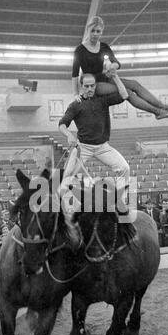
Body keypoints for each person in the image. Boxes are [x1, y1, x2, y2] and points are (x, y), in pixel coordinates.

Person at [58, 70, 133, 247]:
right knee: (65, 181)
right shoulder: (76, 104)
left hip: (103, 147)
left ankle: (120, 205)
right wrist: (68, 135)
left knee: (124, 168)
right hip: (82, 148)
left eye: (93, 86)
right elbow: (62, 124)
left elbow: (124, 94)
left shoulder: (103, 99)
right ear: (81, 86)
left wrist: (115, 76)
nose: (90, 89)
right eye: (87, 86)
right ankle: (67, 218)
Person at [72, 16, 168, 120]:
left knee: (135, 84)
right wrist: (76, 94)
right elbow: (75, 74)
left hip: (105, 77)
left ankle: (163, 106)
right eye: (93, 31)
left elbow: (117, 62)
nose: (95, 34)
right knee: (127, 91)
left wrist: (113, 66)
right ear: (88, 30)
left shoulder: (104, 46)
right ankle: (158, 112)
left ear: (101, 32)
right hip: (94, 84)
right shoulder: (80, 50)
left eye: (98, 31)